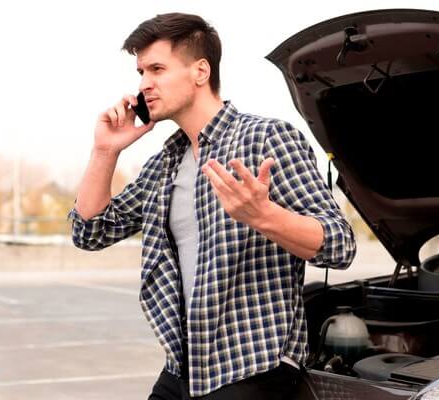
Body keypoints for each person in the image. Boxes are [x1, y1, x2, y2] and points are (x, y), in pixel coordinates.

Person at [68, 12, 355, 399]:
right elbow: (90, 232)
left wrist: (265, 216)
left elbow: (339, 244)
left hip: (253, 367)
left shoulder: (267, 138)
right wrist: (105, 150)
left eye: (156, 69)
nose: (143, 85)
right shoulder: (164, 165)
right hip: (185, 367)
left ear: (200, 71)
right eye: (140, 72)